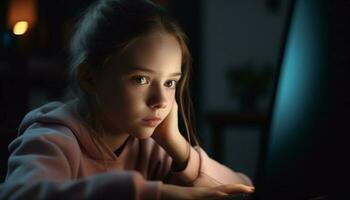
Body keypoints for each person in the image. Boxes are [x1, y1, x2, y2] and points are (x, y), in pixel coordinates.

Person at [0, 0, 254, 199]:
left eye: (169, 83)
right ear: (89, 77)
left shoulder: (150, 146)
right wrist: (154, 193)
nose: (160, 100)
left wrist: (177, 145)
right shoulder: (52, 137)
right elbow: (18, 195)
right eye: (141, 79)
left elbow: (242, 189)